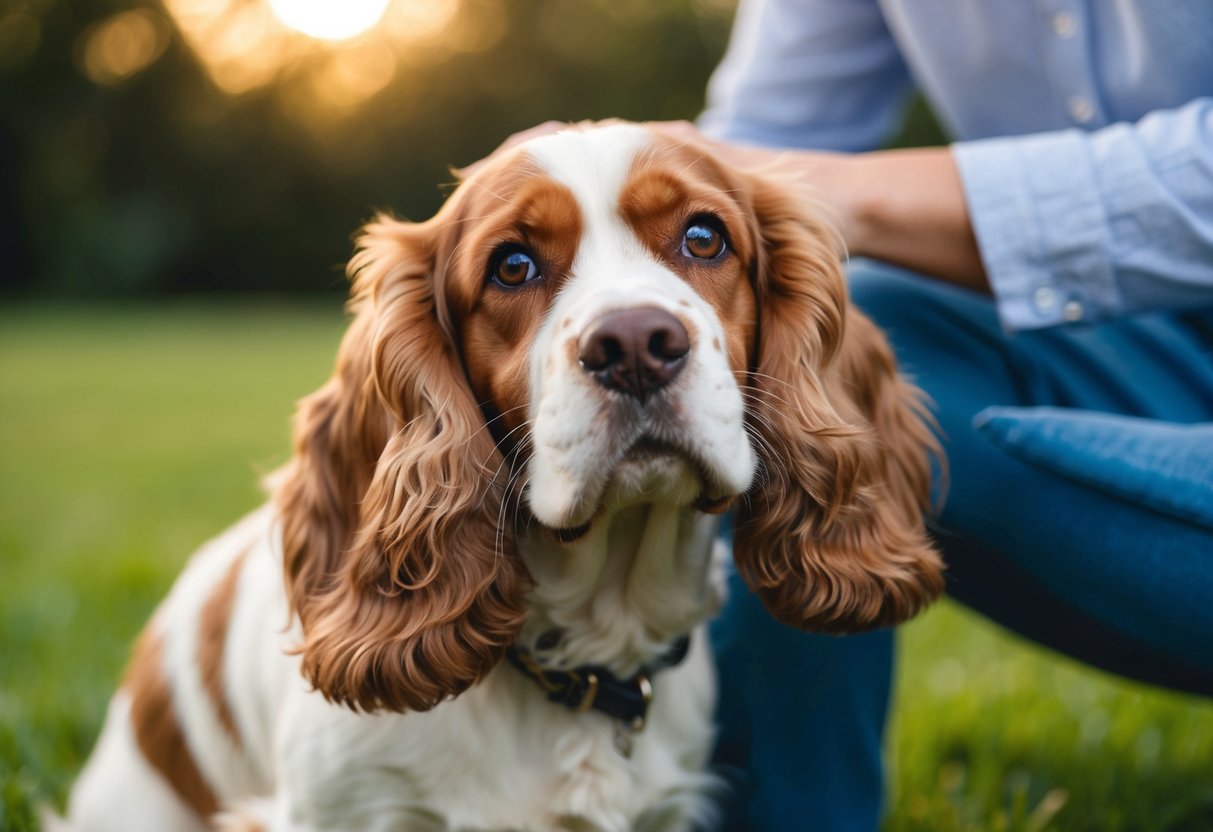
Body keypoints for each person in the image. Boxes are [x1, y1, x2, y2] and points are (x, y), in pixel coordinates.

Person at [691, 2, 1213, 830]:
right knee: (800, 346)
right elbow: (747, 149)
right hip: (1140, 363)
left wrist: (847, 193)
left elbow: (767, 173)